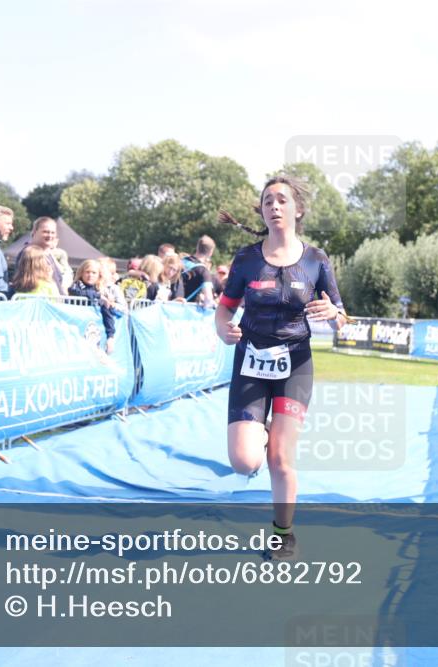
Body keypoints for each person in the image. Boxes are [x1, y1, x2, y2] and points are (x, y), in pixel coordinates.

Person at [215, 175, 346, 561]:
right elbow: (225, 307)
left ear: (297, 210)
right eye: (267, 200)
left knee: (280, 459)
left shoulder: (316, 260)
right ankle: (267, 430)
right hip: (251, 362)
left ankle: (283, 533)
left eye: (282, 200)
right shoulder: (246, 259)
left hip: (295, 365)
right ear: (262, 210)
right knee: (244, 462)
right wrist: (224, 328)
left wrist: (333, 312)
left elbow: (341, 315)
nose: (274, 206)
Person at [69, 259, 117, 354]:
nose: (90, 275)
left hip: (93, 333)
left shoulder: (101, 290)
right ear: (81, 273)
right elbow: (77, 292)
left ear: (99, 275)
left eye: (94, 273)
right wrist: (98, 296)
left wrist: (110, 337)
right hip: (76, 330)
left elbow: (108, 315)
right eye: (87, 272)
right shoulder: (76, 286)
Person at [17, 216, 72, 293]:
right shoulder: (28, 254)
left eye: (53, 232)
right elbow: (26, 283)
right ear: (35, 231)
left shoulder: (48, 253)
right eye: (45, 232)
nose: (50, 236)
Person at [181, 235, 217, 307]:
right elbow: (208, 300)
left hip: (170, 306)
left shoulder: (181, 261)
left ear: (197, 247)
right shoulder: (203, 271)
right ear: (210, 252)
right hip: (187, 311)